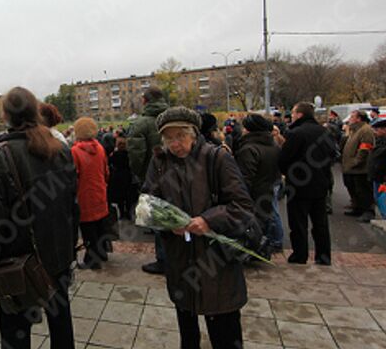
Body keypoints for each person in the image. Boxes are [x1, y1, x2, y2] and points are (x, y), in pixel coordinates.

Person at [142, 107, 254, 348]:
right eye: (169, 138)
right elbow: (148, 203)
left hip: (217, 264)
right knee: (188, 331)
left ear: (194, 134)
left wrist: (208, 220)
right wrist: (167, 223)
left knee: (224, 333)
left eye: (180, 136)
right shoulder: (160, 162)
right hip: (181, 262)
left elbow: (242, 206)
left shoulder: (216, 158)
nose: (174, 144)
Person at [0, 87, 78, 349]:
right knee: (60, 319)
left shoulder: (2, 153)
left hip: (19, 259)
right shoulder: (61, 148)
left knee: (15, 329)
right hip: (57, 254)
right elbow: (72, 206)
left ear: (6, 115)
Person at [278, 102, 337, 265]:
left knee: (298, 224)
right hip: (321, 183)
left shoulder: (295, 133)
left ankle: (300, 255)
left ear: (300, 115)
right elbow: (333, 154)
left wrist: (288, 173)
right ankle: (323, 256)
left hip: (299, 185)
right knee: (321, 224)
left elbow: (283, 158)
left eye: (294, 112)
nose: (292, 116)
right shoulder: (324, 132)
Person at [127, 86, 169, 275]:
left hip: (153, 178)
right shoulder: (173, 118)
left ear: (145, 101)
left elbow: (136, 155)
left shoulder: (141, 123)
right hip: (180, 176)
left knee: (158, 219)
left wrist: (140, 175)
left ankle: (164, 261)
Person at [234, 114, 283, 254]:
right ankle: (266, 247)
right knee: (267, 221)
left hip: (253, 195)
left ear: (249, 130)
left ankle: (254, 251)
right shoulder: (273, 146)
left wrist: (240, 197)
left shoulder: (248, 149)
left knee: (252, 227)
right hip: (267, 189)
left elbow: (245, 177)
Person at [71, 117, 110, 270]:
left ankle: (92, 260)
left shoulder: (75, 151)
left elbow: (74, 176)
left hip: (84, 196)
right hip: (100, 192)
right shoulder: (100, 148)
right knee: (100, 226)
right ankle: (102, 253)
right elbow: (106, 171)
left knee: (88, 230)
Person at [341, 110, 376, 222]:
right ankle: (358, 208)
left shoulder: (365, 130)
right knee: (354, 188)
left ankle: (368, 211)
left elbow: (365, 149)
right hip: (351, 168)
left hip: (361, 169)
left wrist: (356, 162)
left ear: (359, 118)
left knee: (363, 190)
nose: (349, 119)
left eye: (352, 117)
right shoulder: (354, 130)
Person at [108, 135, 135, 220]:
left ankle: (122, 213)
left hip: (117, 176)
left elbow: (109, 163)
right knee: (128, 196)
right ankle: (129, 213)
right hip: (127, 175)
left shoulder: (114, 154)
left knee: (120, 197)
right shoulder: (129, 154)